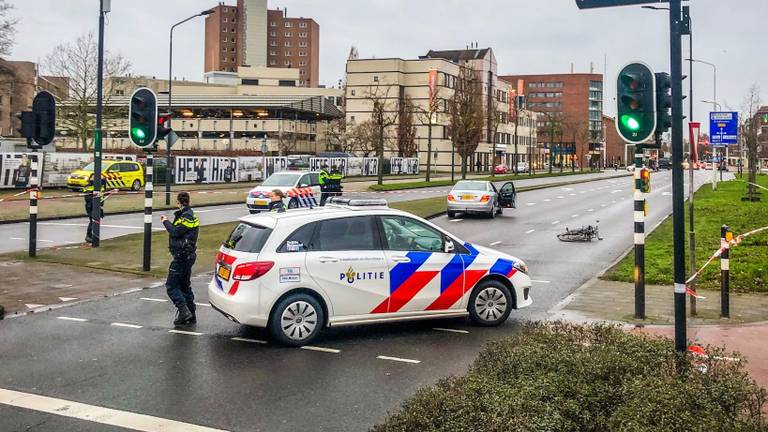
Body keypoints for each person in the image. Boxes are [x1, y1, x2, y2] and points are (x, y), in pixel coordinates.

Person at [160, 192, 200, 326]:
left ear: (178, 202)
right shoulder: (191, 214)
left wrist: (165, 221)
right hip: (188, 255)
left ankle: (184, 311)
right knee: (184, 286)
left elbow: (176, 232)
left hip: (182, 256)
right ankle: (191, 314)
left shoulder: (186, 216)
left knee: (171, 286)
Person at [83, 178, 104, 244]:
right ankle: (89, 236)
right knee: (93, 220)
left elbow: (102, 195)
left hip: (97, 206)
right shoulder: (88, 187)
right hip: (90, 206)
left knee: (96, 220)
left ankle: (93, 236)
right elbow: (88, 198)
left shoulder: (101, 186)